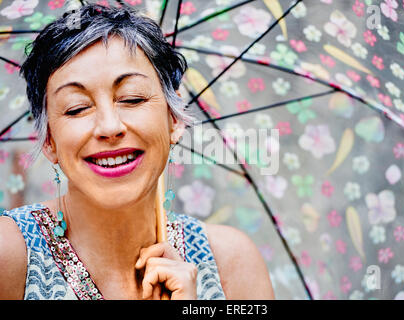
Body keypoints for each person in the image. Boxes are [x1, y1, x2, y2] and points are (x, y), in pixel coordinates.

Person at [0, 4, 274, 300]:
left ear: (174, 118)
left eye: (132, 99)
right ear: (49, 140)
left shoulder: (231, 263)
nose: (109, 126)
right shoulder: (10, 255)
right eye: (77, 108)